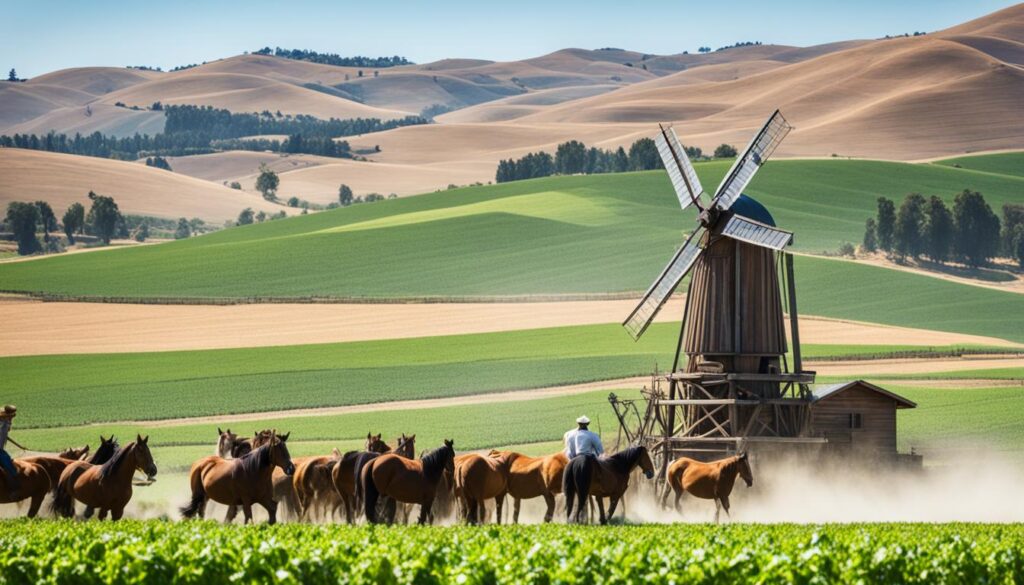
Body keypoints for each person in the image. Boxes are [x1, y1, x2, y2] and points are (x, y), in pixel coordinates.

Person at [0, 405, 24, 496]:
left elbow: (4, 436)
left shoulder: (4, 423)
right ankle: (14, 488)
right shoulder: (4, 424)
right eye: (11, 417)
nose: (11, 419)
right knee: (9, 466)